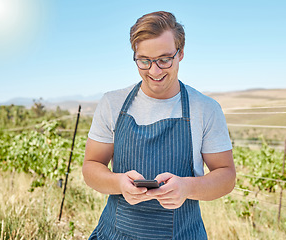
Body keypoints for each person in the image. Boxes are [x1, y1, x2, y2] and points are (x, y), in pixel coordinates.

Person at [83, 11, 236, 240]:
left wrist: (186, 188)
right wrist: (118, 182)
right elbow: (91, 167)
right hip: (115, 233)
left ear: (181, 53)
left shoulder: (205, 108)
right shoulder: (112, 103)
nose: (154, 71)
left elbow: (226, 177)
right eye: (144, 61)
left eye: (164, 59)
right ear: (135, 56)